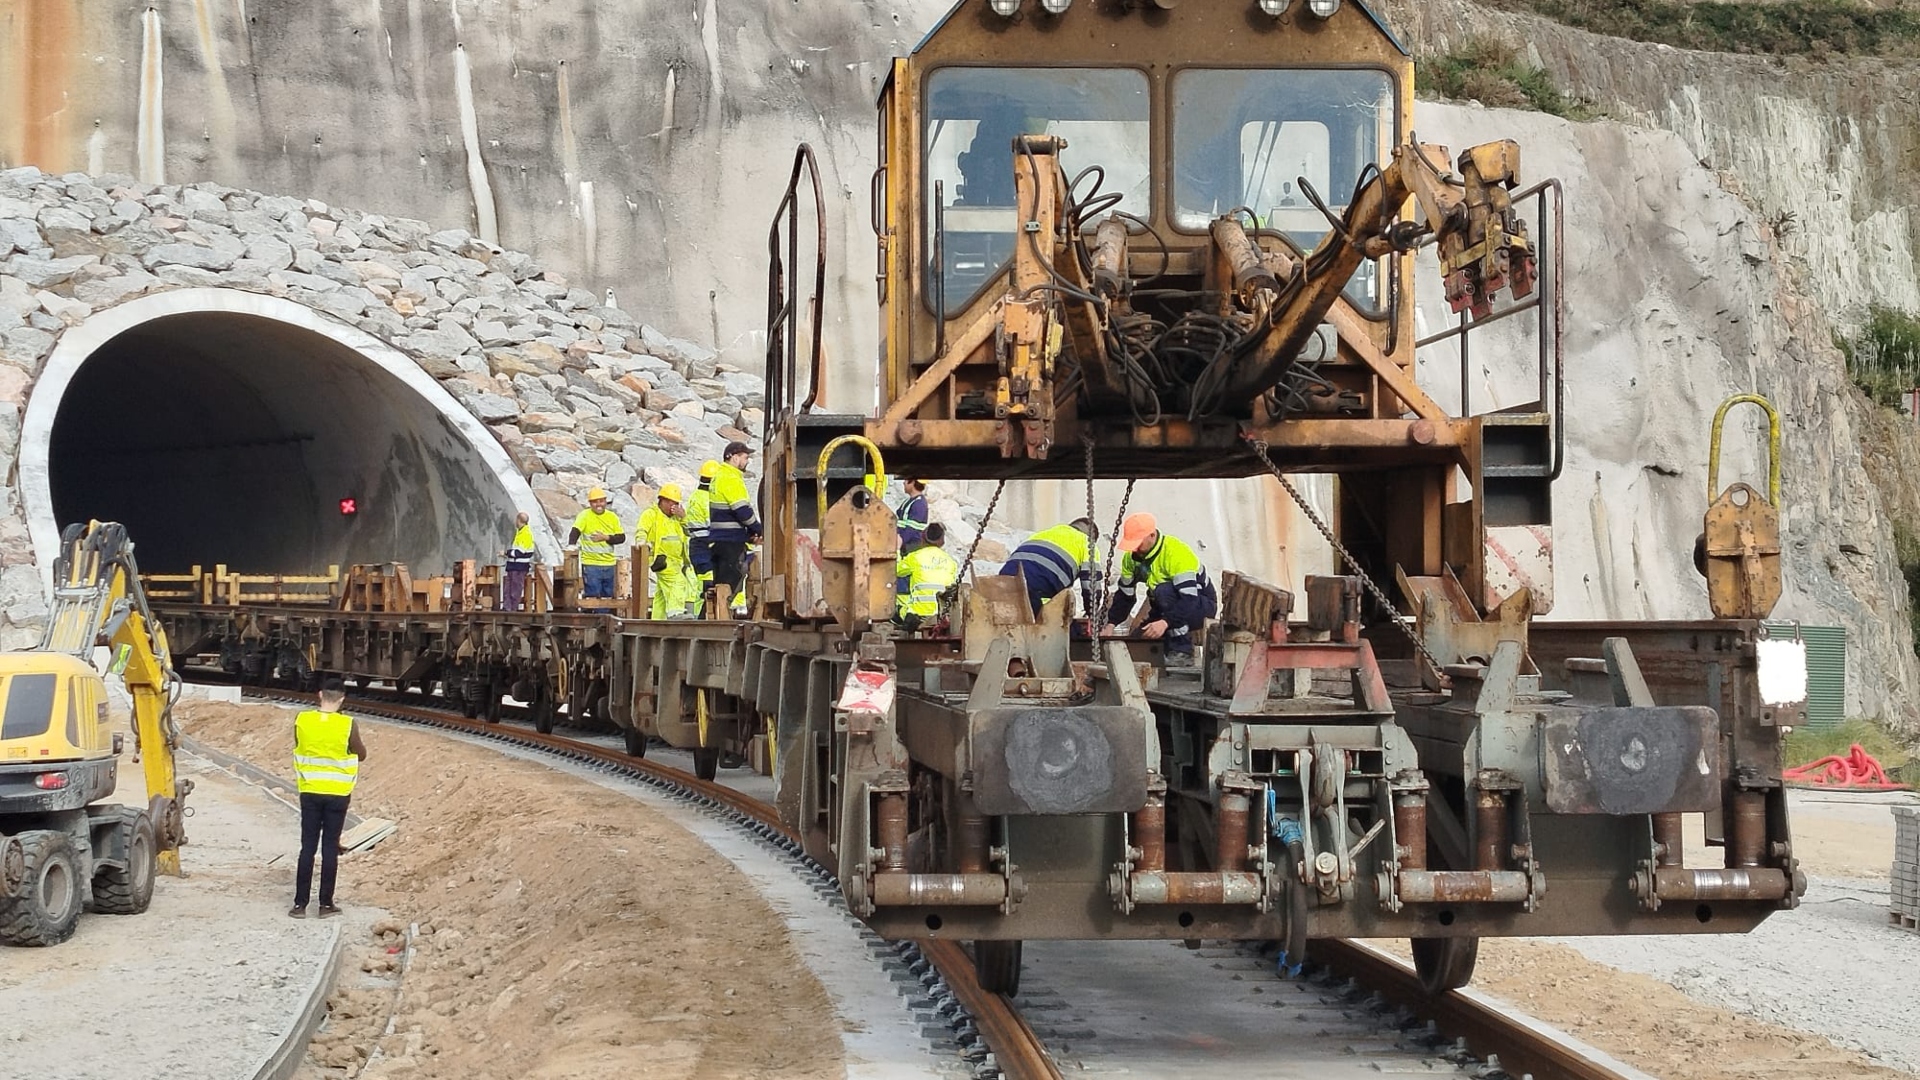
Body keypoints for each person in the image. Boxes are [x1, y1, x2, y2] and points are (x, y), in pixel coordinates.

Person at [290, 678, 366, 919]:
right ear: (342, 698)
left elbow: (299, 744)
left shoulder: (302, 720)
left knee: (307, 847)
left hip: (310, 791)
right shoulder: (348, 725)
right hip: (337, 795)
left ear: (319, 694)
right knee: (330, 849)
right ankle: (325, 905)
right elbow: (361, 754)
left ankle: (299, 905)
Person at [1104, 513, 1218, 666]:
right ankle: (1164, 648)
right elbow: (1125, 595)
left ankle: (1182, 651)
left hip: (1199, 606)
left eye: (1138, 543)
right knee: (1137, 644)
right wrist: (1111, 624)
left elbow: (1189, 599)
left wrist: (1165, 622)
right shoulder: (1131, 559)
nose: (1135, 549)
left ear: (1152, 535)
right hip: (1164, 608)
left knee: (1163, 591)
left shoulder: (1176, 553)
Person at [999, 518, 1099, 618]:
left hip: (1003, 581)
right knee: (1066, 628)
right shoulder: (1087, 543)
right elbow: (1091, 586)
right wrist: (1091, 614)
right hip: (1037, 585)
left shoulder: (1045, 533)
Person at [708, 441, 762, 615]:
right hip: (730, 541)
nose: (747, 461)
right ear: (734, 457)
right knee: (729, 584)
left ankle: (709, 618)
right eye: (745, 457)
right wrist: (758, 528)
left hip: (720, 540)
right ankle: (715, 620)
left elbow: (726, 514)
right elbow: (742, 510)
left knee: (720, 584)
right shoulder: (731, 477)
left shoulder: (719, 476)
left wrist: (747, 535)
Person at [636, 484, 697, 619]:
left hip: (677, 560)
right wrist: (641, 542)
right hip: (660, 558)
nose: (673, 505)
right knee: (677, 581)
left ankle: (657, 620)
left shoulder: (677, 517)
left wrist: (683, 517)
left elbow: (689, 532)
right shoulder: (651, 514)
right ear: (662, 500)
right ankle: (675, 613)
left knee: (662, 593)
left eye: (675, 503)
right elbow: (642, 530)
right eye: (670, 502)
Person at [896, 522, 960, 631]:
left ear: (923, 538)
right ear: (942, 542)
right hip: (940, 616)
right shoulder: (951, 562)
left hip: (917, 615)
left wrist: (897, 549)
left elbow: (894, 571)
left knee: (896, 602)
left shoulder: (915, 557)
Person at [567, 487, 625, 599]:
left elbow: (621, 537)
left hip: (609, 563)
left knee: (608, 596)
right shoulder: (585, 515)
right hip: (591, 564)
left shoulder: (612, 517)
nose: (598, 504)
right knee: (593, 595)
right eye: (595, 501)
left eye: (601, 501)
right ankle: (592, 616)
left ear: (605, 501)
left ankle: (605, 616)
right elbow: (575, 531)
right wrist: (571, 546)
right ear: (590, 503)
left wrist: (606, 537)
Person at [687, 461, 719, 604]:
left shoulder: (695, 496)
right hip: (706, 543)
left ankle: (700, 613)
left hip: (696, 543)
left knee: (702, 580)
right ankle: (703, 615)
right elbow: (713, 523)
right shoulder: (707, 499)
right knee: (708, 582)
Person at [501, 511, 536, 611]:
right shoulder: (520, 532)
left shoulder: (525, 534)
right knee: (508, 587)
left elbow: (520, 552)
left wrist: (506, 553)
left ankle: (512, 609)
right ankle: (507, 607)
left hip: (519, 567)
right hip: (513, 566)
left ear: (519, 520)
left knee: (515, 588)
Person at [896, 478, 930, 552]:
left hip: (910, 547)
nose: (903, 482)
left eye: (906, 480)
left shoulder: (919, 504)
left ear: (912, 482)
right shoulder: (910, 501)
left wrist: (900, 542)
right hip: (905, 545)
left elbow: (911, 529)